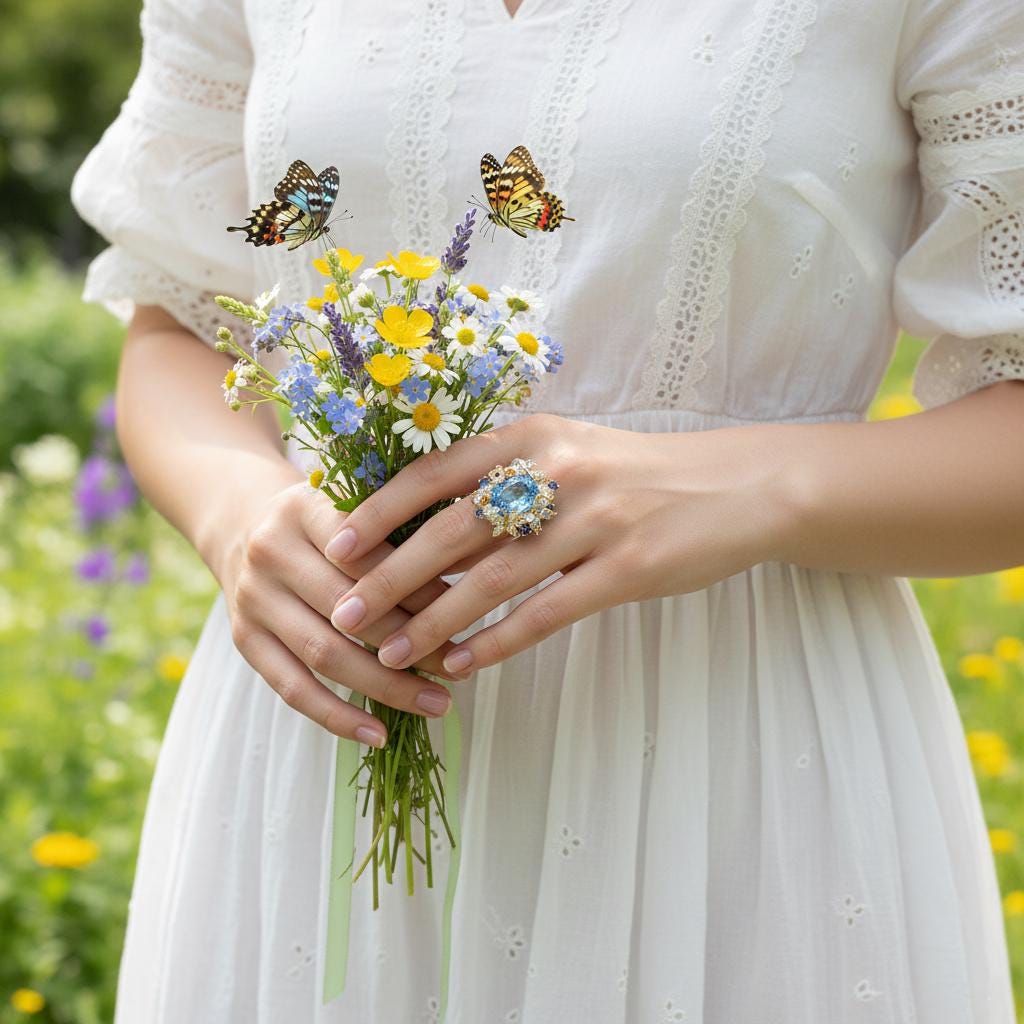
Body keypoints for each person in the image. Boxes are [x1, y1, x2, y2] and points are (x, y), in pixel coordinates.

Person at [70, 0, 1024, 1019]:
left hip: (735, 744)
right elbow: (178, 311)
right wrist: (239, 513)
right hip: (323, 724)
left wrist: (752, 484)